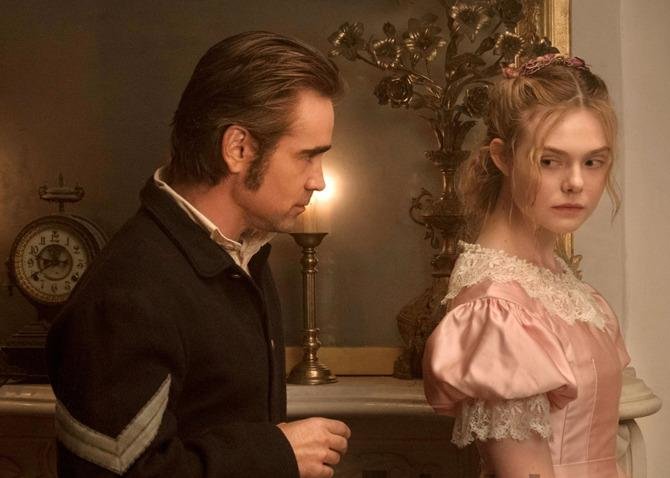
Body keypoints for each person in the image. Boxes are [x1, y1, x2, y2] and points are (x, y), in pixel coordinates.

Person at [46, 31, 350, 478]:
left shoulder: (243, 257)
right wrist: (275, 453)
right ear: (238, 148)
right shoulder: (128, 295)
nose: (318, 180)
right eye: (307, 156)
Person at [423, 54, 630, 478]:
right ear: (503, 157)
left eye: (593, 161)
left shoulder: (556, 280)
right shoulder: (496, 308)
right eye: (549, 161)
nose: (576, 182)